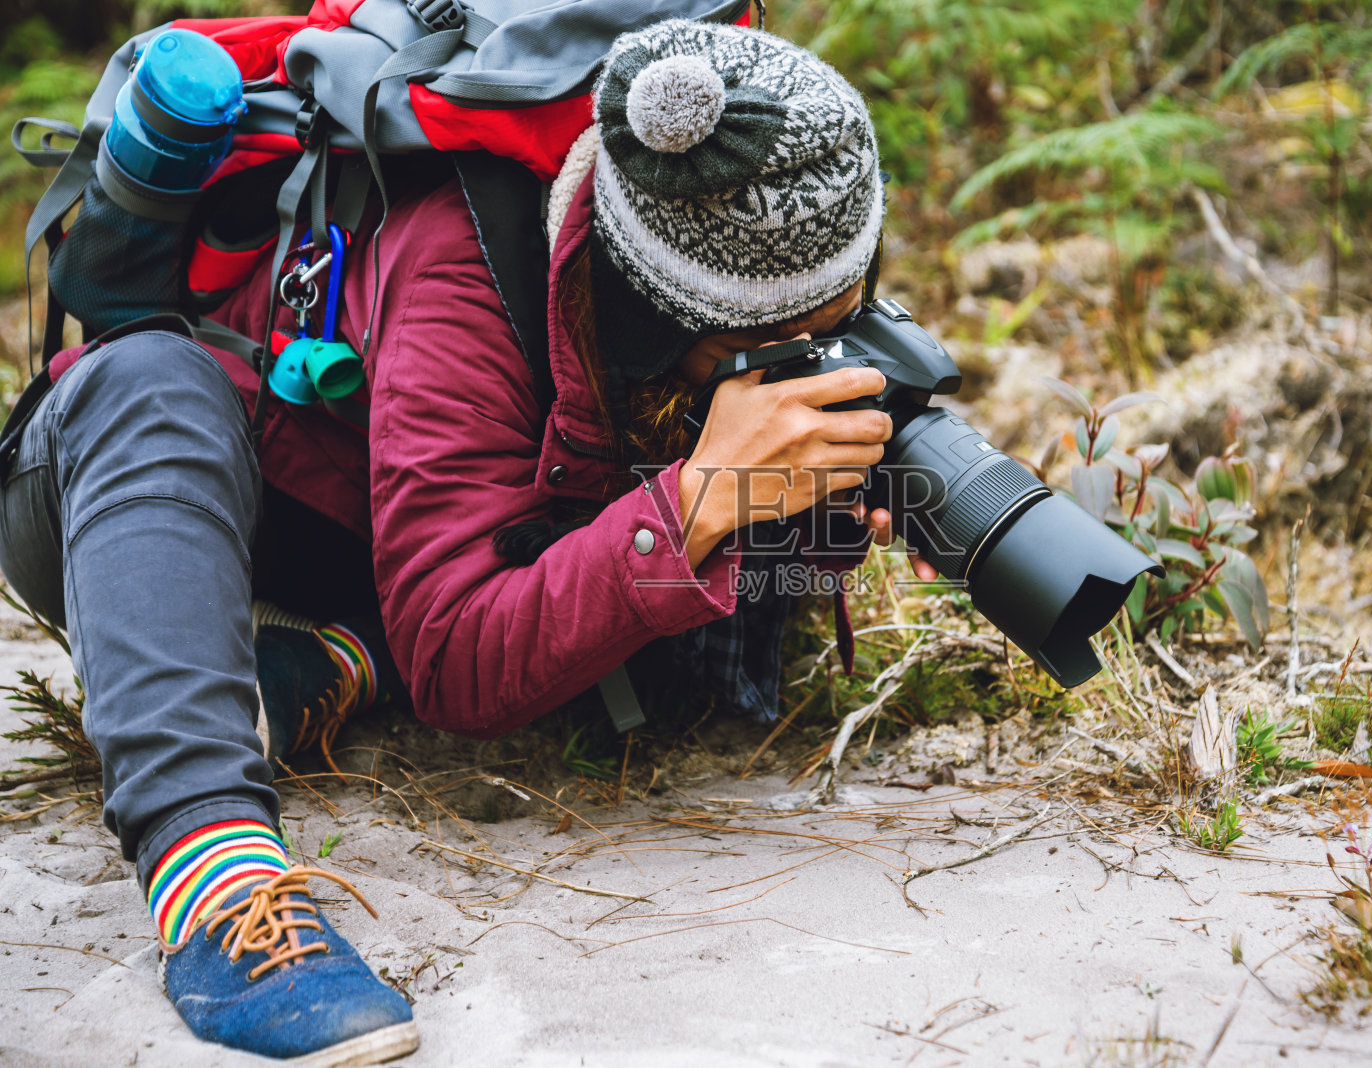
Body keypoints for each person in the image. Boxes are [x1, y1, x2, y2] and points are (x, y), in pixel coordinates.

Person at [0, 18, 936, 1067]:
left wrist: (782, 530)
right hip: (131, 502)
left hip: (380, 538)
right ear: (662, 314)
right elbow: (459, 661)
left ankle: (334, 660)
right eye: (770, 353)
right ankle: (217, 883)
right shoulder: (467, 266)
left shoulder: (666, 329)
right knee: (144, 378)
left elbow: (578, 553)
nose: (803, 363)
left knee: (597, 556)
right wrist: (698, 501)